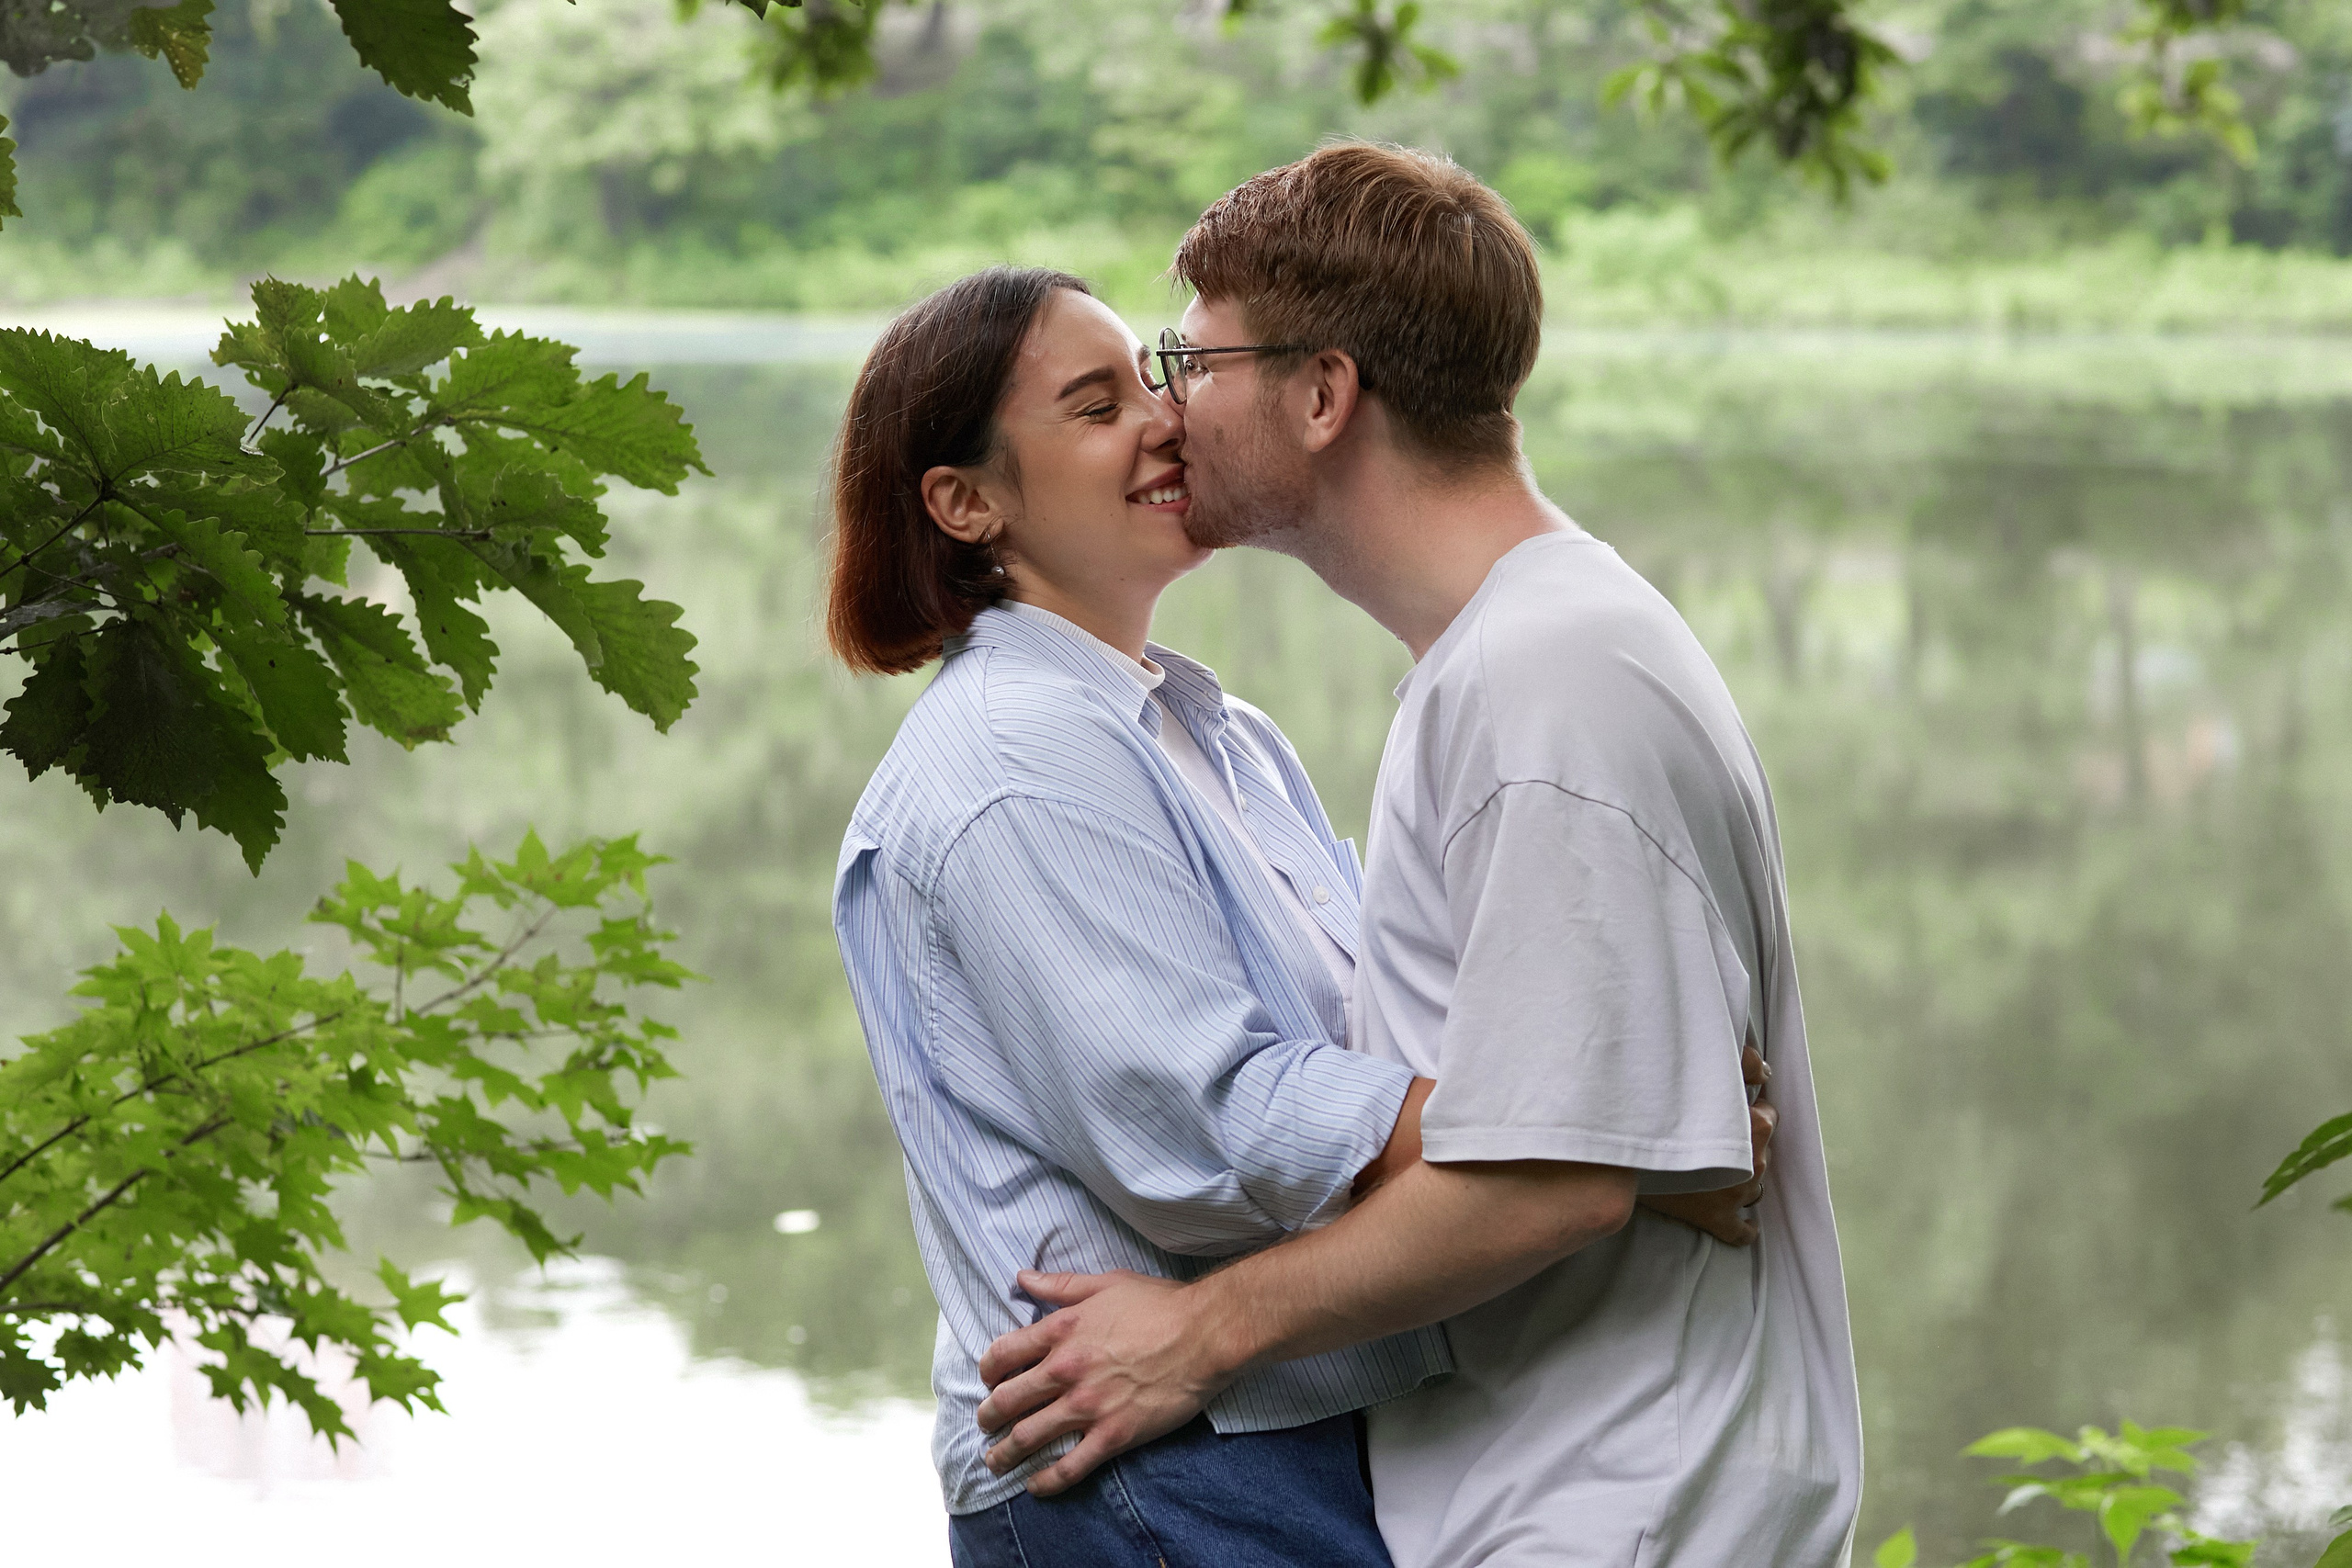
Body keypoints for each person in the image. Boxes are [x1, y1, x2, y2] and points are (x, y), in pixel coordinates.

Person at [971, 144, 1865, 1568]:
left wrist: (1198, 1333)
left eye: (1191, 363)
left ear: (1323, 395)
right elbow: (1555, 1123)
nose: (1166, 411)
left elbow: (1554, 1177)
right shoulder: (1512, 655)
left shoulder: (1546, 679)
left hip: (1617, 1508)